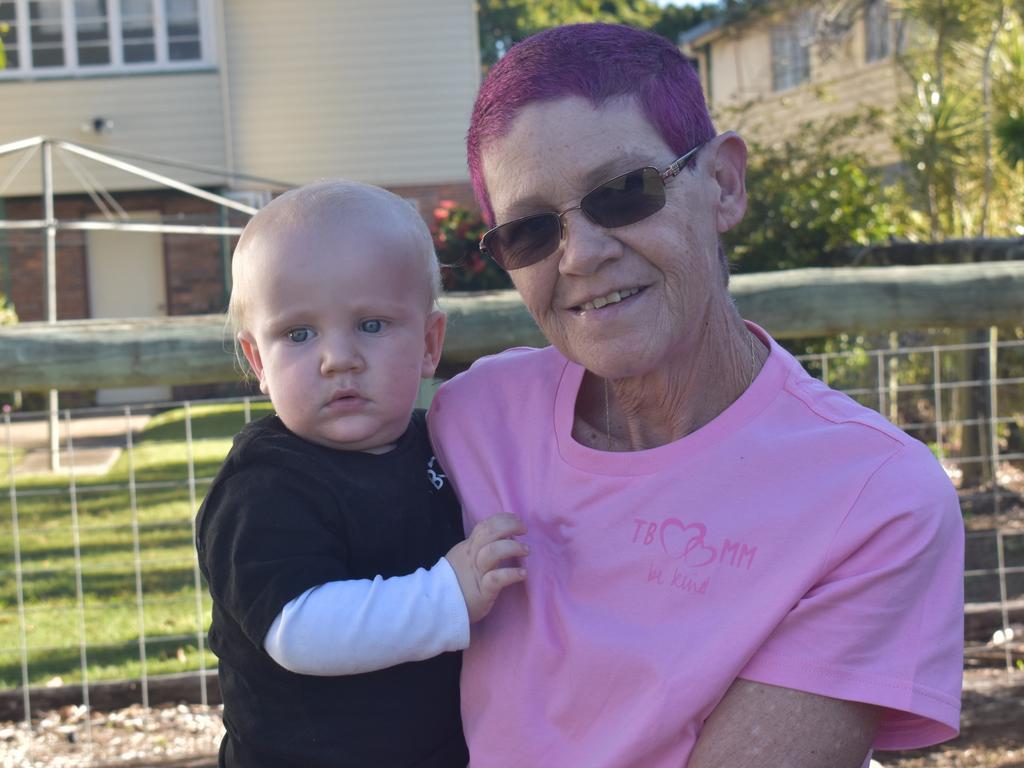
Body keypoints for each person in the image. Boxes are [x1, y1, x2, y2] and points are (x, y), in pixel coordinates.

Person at [426, 23, 965, 768]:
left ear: (724, 184)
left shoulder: (872, 499)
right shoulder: (471, 422)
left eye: (623, 193)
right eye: (529, 231)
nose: (581, 254)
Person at [195, 180, 527, 768]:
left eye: (371, 325)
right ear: (258, 363)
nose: (338, 358)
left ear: (429, 344)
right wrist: (445, 595)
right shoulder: (264, 484)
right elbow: (299, 629)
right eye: (299, 334)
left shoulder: (443, 444)